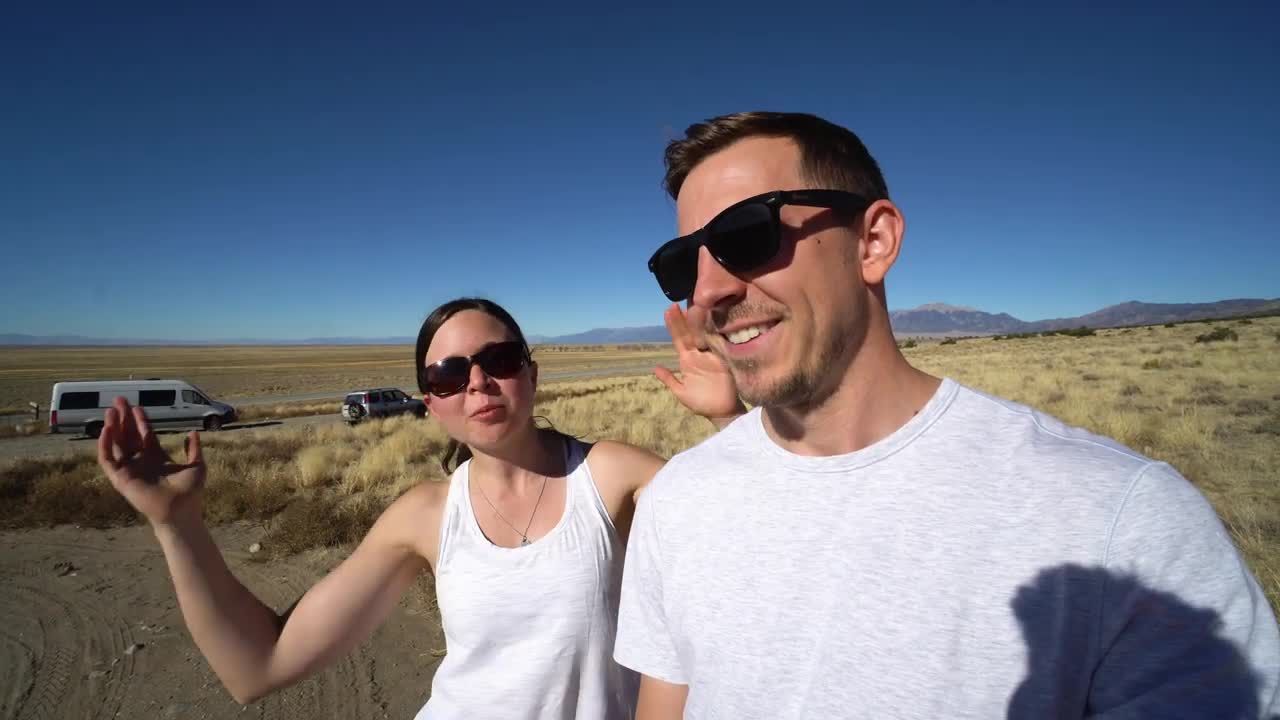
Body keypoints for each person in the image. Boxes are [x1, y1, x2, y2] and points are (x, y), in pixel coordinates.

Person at [614, 111, 1280, 718]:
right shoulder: (681, 499)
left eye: (746, 234)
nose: (707, 292)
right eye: (682, 264)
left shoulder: (1120, 523)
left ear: (872, 241)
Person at [96, 296, 741, 720]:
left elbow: (752, 563)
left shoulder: (611, 475)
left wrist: (734, 424)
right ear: (430, 404)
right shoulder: (425, 515)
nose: (478, 384)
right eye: (448, 376)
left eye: (500, 360)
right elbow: (258, 665)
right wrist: (176, 525)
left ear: (533, 374)